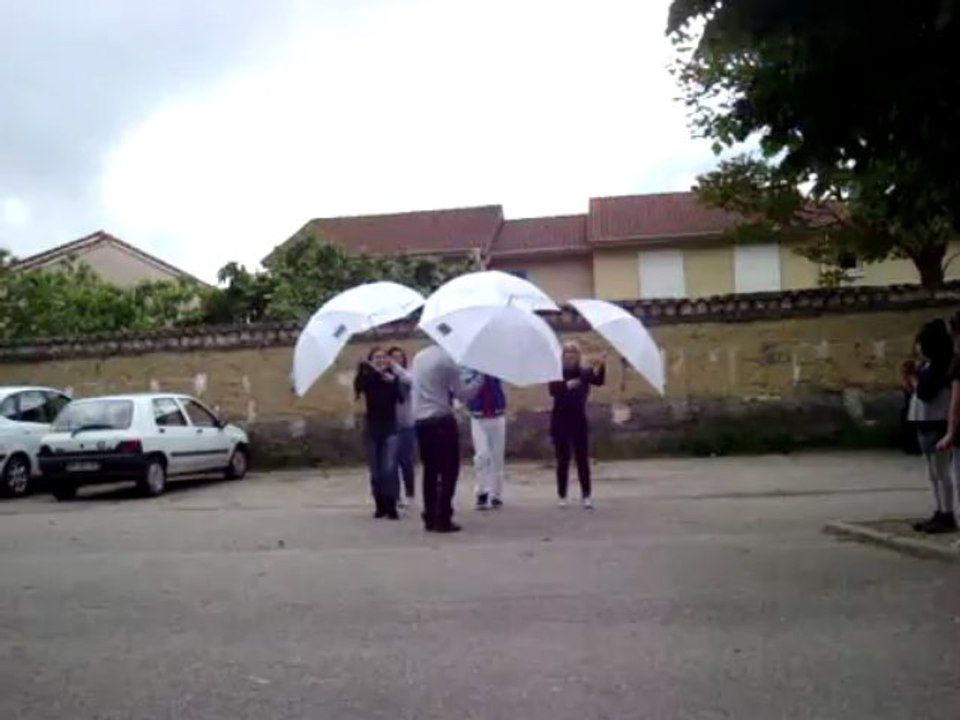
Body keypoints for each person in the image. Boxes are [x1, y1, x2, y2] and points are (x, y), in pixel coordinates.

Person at [411, 344, 484, 533]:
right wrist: (480, 380)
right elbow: (463, 393)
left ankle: (429, 515)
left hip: (421, 420)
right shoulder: (448, 360)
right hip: (441, 420)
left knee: (430, 471)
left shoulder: (419, 356)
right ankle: (443, 517)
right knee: (449, 471)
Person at [905, 319, 956, 533]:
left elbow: (925, 393)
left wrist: (913, 378)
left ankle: (947, 513)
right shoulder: (929, 366)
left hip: (937, 423)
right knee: (933, 472)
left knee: (941, 471)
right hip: (926, 422)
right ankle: (938, 510)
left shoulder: (940, 367)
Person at [548, 342, 606, 509]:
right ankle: (562, 495)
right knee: (562, 460)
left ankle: (586, 496)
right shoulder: (556, 373)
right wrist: (568, 385)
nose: (570, 355)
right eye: (567, 352)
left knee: (582, 459)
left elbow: (599, 381)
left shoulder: (584, 372)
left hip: (578, 419)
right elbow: (552, 390)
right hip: (560, 420)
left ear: (578, 355)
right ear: (563, 355)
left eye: (573, 352)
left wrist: (601, 364)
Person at [353, 346, 401, 520]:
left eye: (383, 358)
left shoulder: (392, 378)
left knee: (389, 468)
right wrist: (361, 368)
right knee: (376, 472)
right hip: (372, 429)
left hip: (391, 428)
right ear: (371, 361)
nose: (380, 361)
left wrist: (393, 382)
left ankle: (391, 505)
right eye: (376, 358)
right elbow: (358, 388)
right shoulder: (368, 379)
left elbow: (400, 398)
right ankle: (379, 504)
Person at [466, 372, 507, 510]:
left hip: (497, 415)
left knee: (497, 456)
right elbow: (466, 388)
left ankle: (496, 494)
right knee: (482, 455)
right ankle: (482, 492)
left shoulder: (497, 368)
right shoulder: (470, 370)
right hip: (478, 417)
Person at [388, 346, 416, 508]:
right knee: (392, 462)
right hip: (391, 424)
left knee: (406, 461)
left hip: (407, 424)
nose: (396, 361)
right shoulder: (386, 377)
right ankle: (396, 496)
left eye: (400, 357)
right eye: (393, 358)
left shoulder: (407, 375)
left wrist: (397, 370)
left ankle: (410, 493)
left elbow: (411, 381)